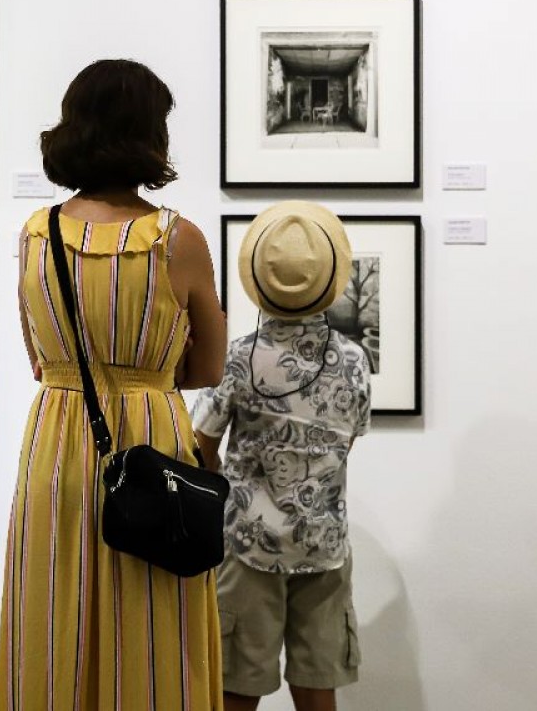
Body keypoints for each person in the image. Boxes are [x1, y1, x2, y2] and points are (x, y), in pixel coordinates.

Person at [0, 59, 228, 710]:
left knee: (53, 613)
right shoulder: (176, 240)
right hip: (150, 438)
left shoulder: (38, 234)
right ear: (150, 134)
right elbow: (208, 369)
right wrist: (149, 367)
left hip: (56, 442)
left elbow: (40, 361)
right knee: (153, 629)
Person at [191, 201, 370, 711]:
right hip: (324, 541)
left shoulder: (239, 356)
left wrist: (240, 485)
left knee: (236, 689)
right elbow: (348, 440)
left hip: (248, 542)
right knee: (318, 686)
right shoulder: (355, 360)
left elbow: (199, 445)